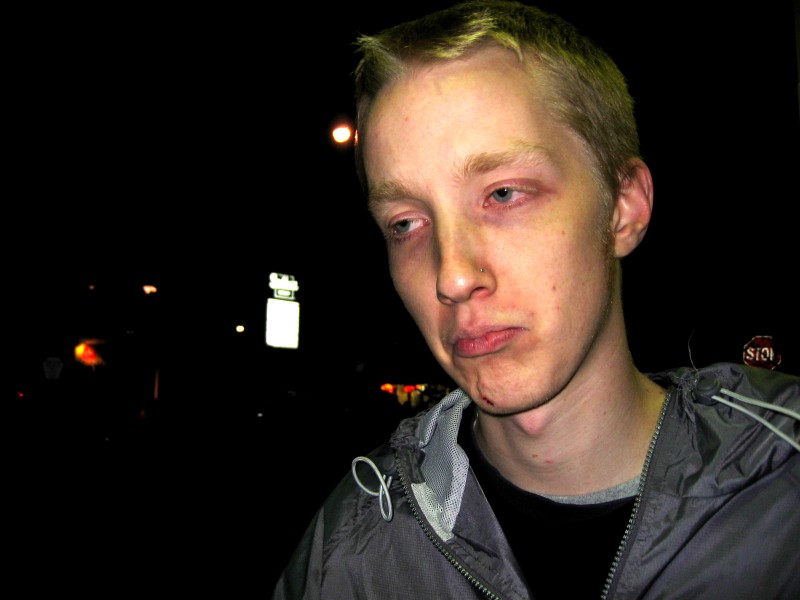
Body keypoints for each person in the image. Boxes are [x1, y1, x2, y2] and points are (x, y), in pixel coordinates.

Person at [272, 1, 800, 598]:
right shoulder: (350, 554)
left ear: (623, 207)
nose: (452, 277)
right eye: (405, 223)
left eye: (502, 194)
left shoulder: (782, 485)